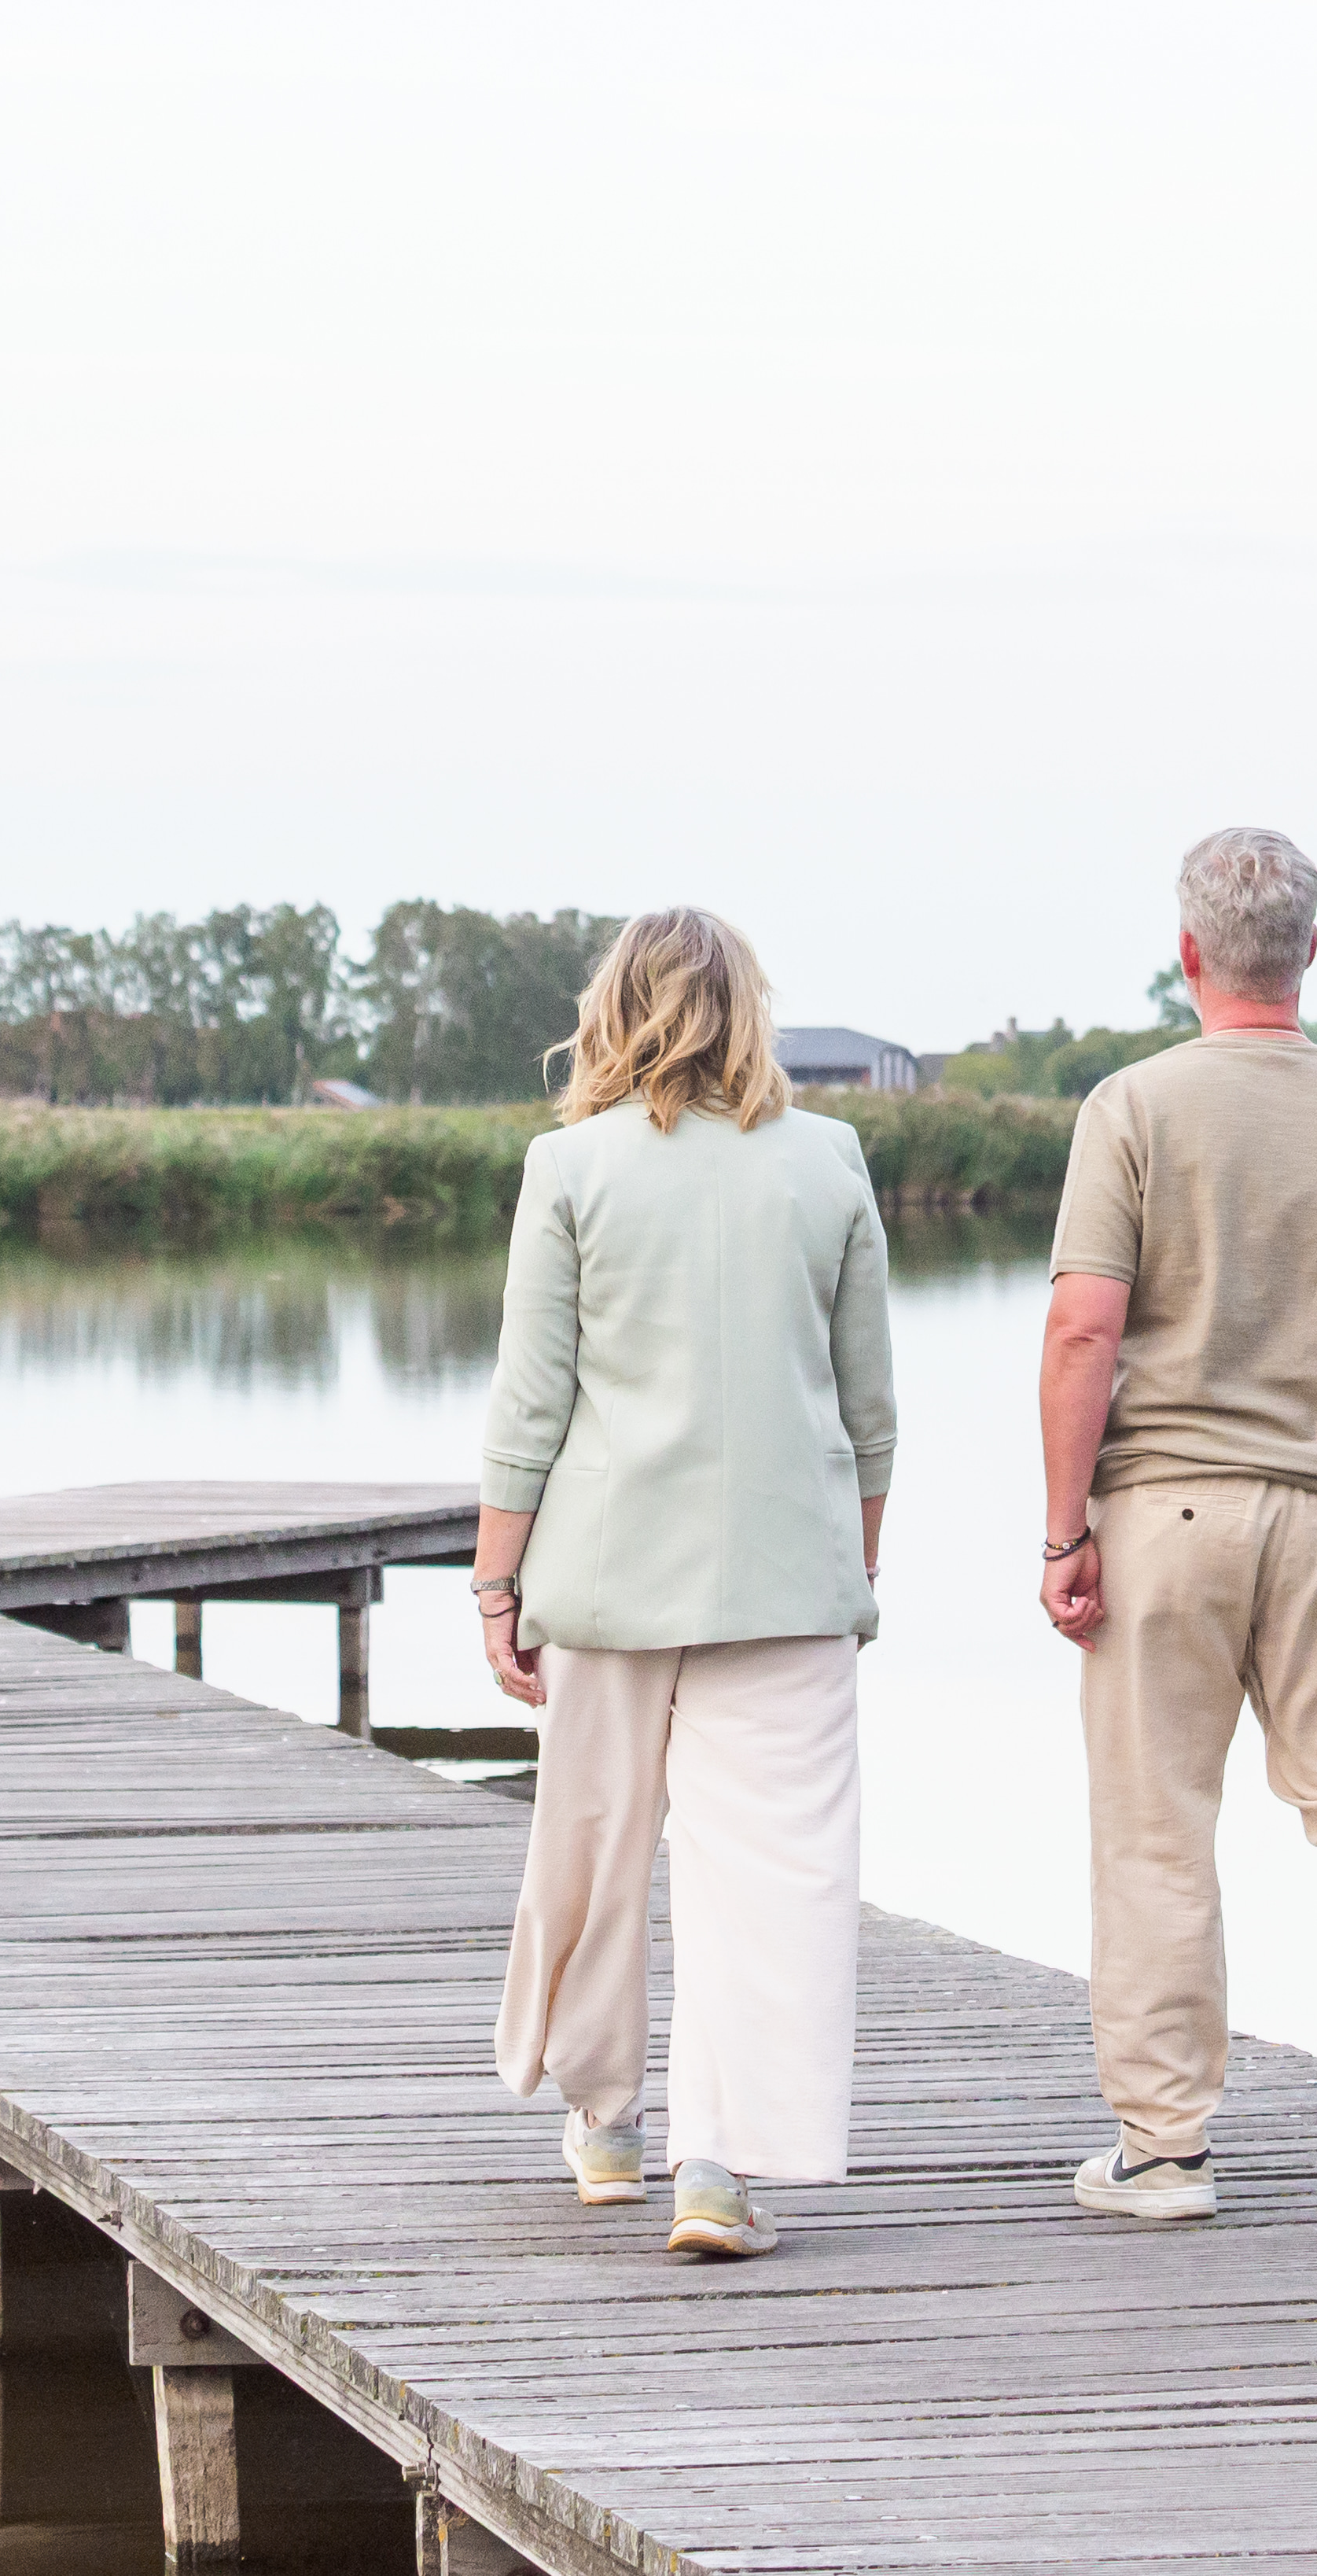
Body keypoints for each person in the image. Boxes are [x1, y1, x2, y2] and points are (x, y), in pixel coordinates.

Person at [1036, 826, 1317, 2230]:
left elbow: (1082, 1332)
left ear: (1189, 954)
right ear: (1310, 952)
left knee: (1158, 1824)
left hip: (1164, 1511)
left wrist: (1065, 1531)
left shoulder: (1133, 1108)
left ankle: (1166, 2152)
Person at [473, 908, 896, 2261]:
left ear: (615, 1011)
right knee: (766, 1877)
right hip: (787, 1581)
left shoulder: (571, 1166)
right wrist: (856, 1561)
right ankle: (717, 2170)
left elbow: (531, 1402)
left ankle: (604, 2126)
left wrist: (496, 1583)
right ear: (749, 1013)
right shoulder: (828, 1160)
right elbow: (869, 1405)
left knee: (592, 1844)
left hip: (604, 1577)